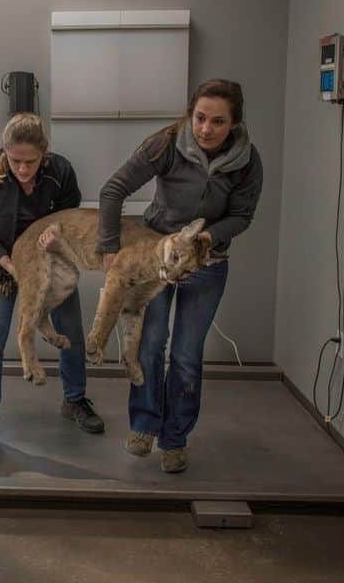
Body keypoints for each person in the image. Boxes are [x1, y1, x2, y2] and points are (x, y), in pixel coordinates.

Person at [98, 79, 264, 473]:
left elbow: (242, 216)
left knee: (187, 357)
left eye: (218, 122)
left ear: (234, 124)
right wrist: (109, 249)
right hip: (157, 256)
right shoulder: (166, 143)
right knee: (151, 344)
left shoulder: (247, 160)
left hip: (207, 264)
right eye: (200, 118)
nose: (206, 129)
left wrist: (208, 237)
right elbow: (113, 190)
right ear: (190, 114)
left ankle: (174, 439)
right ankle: (144, 425)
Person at [0, 112, 104, 467]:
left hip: (51, 262)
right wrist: (6, 262)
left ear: (44, 153)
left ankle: (75, 399)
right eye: (15, 161)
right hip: (0, 265)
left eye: (30, 162)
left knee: (70, 328)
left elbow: (72, 218)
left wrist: (59, 242)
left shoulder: (61, 172)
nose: (23, 169)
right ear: (4, 152)